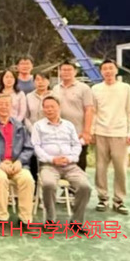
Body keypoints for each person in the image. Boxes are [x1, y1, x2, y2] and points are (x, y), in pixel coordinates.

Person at [32, 95, 91, 231]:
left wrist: (69, 158)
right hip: (49, 165)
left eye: (52, 106)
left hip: (70, 165)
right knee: (48, 184)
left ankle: (76, 222)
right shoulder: (38, 126)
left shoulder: (68, 125)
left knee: (85, 187)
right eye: (46, 107)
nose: (49, 109)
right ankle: (50, 220)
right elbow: (36, 147)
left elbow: (76, 145)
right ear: (43, 109)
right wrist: (52, 159)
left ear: (59, 107)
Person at [0, 94, 35, 227]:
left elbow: (28, 148)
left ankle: (25, 219)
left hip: (17, 164)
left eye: (7, 104)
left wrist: (20, 161)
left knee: (27, 179)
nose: (4, 107)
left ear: (11, 106)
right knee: (0, 179)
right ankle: (1, 218)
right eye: (1, 104)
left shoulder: (20, 127)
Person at [91, 60, 130, 215]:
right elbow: (94, 112)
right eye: (105, 69)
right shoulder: (95, 89)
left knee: (120, 169)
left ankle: (119, 200)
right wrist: (92, 131)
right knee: (100, 168)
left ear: (116, 70)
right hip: (101, 133)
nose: (108, 71)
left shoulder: (125, 88)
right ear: (101, 72)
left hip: (120, 133)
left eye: (111, 68)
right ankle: (102, 198)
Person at [51, 61, 95, 171]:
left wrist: (87, 131)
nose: (66, 72)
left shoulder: (84, 88)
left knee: (79, 163)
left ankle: (79, 182)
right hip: (60, 133)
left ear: (75, 72)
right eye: (64, 70)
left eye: (69, 70)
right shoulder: (55, 89)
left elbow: (89, 110)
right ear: (60, 72)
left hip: (78, 132)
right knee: (62, 163)